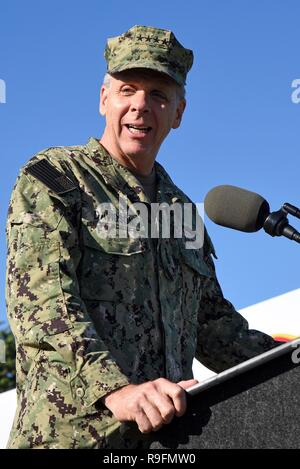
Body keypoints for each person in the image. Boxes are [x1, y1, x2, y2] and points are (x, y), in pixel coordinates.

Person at [5, 25, 279, 449]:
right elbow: (43, 307)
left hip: (166, 444)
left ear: (179, 113)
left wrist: (284, 362)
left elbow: (215, 329)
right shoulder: (57, 179)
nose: (140, 106)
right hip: (72, 440)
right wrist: (117, 390)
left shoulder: (181, 212)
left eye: (158, 95)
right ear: (103, 99)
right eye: (127, 89)